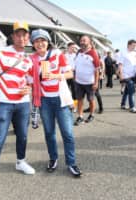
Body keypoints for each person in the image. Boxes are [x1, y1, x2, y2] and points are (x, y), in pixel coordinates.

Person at [0, 22, 35, 195]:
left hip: (22, 103)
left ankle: (21, 161)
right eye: (18, 34)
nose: (22, 37)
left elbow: (28, 81)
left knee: (23, 135)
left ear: (28, 37)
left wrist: (29, 88)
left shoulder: (28, 59)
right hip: (3, 102)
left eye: (25, 35)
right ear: (13, 36)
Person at [30, 29, 81, 177]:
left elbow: (70, 73)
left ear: (48, 42)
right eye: (36, 41)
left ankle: (71, 163)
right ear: (33, 44)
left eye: (42, 40)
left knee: (68, 133)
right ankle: (53, 158)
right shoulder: (31, 59)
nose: (40, 44)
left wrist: (55, 75)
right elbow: (28, 79)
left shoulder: (57, 54)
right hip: (44, 100)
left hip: (61, 99)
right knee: (49, 132)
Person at [74, 35, 100, 125]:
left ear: (89, 42)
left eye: (84, 40)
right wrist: (75, 77)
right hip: (78, 82)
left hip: (90, 82)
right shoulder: (78, 52)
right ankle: (80, 116)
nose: (82, 42)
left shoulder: (93, 53)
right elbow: (76, 66)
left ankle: (91, 114)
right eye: (81, 40)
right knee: (79, 100)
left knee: (91, 100)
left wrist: (96, 83)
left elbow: (97, 69)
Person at [118, 39, 136, 112]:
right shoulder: (123, 53)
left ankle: (123, 104)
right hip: (126, 75)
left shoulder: (134, 53)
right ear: (129, 45)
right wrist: (121, 75)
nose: (134, 47)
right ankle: (132, 107)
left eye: (135, 46)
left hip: (133, 75)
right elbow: (120, 64)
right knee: (132, 91)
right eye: (133, 45)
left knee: (126, 90)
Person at [65, 42, 78, 111]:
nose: (73, 49)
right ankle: (67, 105)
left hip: (73, 74)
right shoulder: (64, 55)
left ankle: (75, 106)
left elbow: (78, 65)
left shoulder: (76, 55)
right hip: (66, 74)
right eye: (72, 47)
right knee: (66, 91)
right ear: (68, 47)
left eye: (74, 47)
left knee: (74, 91)